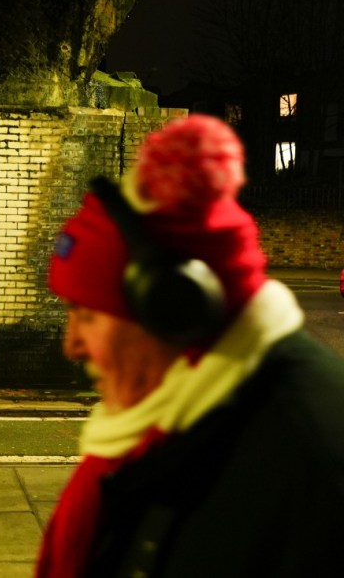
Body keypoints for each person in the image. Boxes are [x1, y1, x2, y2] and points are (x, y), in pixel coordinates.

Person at [37, 114, 344, 577]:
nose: (72, 346)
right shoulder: (188, 417)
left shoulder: (312, 473)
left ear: (175, 308)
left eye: (87, 314)